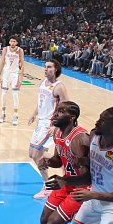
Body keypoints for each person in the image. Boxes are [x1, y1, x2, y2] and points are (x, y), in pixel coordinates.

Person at [29, 101, 90, 224]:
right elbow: (58, 159)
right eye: (57, 110)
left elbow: (89, 177)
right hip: (66, 182)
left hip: (81, 188)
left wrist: (63, 181)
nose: (55, 113)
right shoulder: (58, 133)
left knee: (54, 223)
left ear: (72, 117)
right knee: (44, 220)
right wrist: (47, 161)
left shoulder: (80, 139)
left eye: (61, 111)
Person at [28, 59, 70, 199]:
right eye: (45, 67)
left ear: (56, 69)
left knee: (35, 155)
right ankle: (62, 162)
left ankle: (47, 186)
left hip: (49, 124)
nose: (45, 69)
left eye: (49, 67)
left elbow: (66, 109)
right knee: (32, 154)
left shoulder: (59, 87)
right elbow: (41, 103)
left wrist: (55, 125)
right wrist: (34, 114)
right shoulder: (42, 83)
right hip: (40, 122)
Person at [0, 37, 24, 125]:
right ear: (9, 41)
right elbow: (2, 62)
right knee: (3, 94)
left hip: (15, 74)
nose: (12, 43)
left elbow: (22, 65)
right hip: (6, 74)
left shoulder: (20, 50)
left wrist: (20, 79)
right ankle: (3, 114)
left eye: (14, 41)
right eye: (11, 41)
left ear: (17, 42)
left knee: (15, 95)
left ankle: (16, 115)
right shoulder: (5, 49)